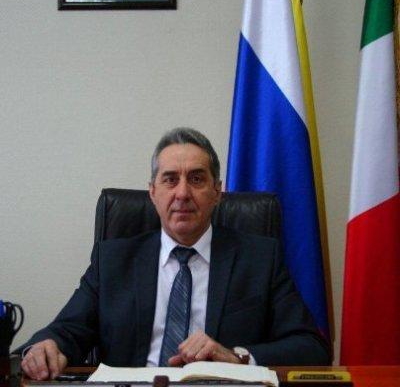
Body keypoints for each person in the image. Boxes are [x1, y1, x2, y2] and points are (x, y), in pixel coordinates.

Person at [20, 127, 330, 380]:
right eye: (170, 179)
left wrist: (237, 357)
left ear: (217, 192)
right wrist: (46, 347)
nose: (182, 193)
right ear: (153, 192)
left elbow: (312, 347)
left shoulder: (259, 259)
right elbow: (67, 330)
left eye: (196, 179)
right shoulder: (113, 260)